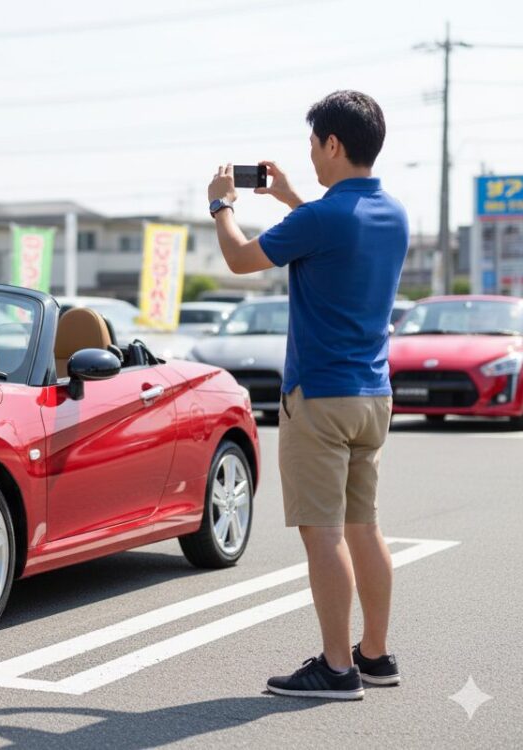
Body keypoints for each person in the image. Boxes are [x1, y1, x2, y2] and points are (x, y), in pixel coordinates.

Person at [206, 90, 410, 700]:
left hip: (319, 396)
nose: (312, 156)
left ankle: (335, 668)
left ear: (333, 143)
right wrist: (290, 195)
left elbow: (241, 258)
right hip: (373, 395)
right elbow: (331, 228)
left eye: (314, 144)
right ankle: (373, 655)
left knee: (322, 532)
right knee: (363, 526)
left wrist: (221, 206)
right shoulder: (393, 213)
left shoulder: (320, 218)